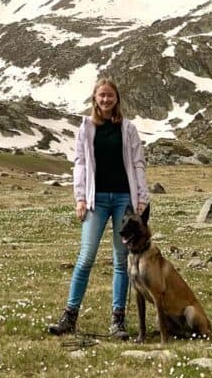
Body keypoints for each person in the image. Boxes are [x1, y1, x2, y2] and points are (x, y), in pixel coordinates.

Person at [48, 76, 150, 339]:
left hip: (123, 201)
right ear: (95, 98)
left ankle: (118, 321)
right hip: (96, 199)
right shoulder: (86, 127)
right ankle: (69, 316)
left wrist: (141, 197)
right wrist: (80, 197)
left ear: (116, 99)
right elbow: (80, 163)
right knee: (85, 258)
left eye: (110, 95)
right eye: (101, 95)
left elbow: (138, 163)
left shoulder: (128, 129)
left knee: (120, 261)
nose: (106, 99)